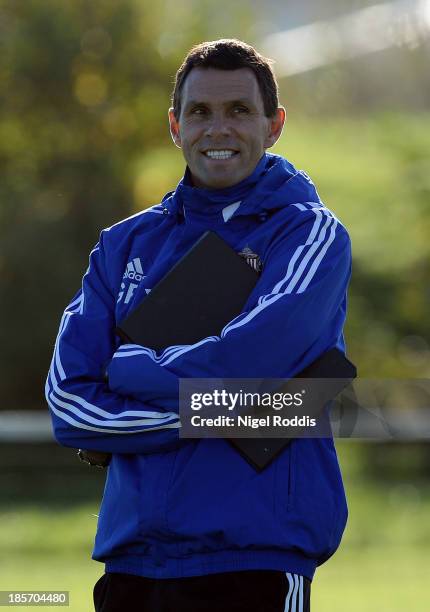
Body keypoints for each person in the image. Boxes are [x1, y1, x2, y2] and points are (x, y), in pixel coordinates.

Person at [46, 39, 352, 612]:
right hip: (134, 565)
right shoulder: (122, 246)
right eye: (200, 112)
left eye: (239, 111)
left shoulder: (310, 236)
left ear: (275, 124)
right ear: (175, 125)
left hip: (257, 562)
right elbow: (70, 403)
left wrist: (134, 372)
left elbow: (254, 362)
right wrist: (234, 410)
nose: (219, 129)